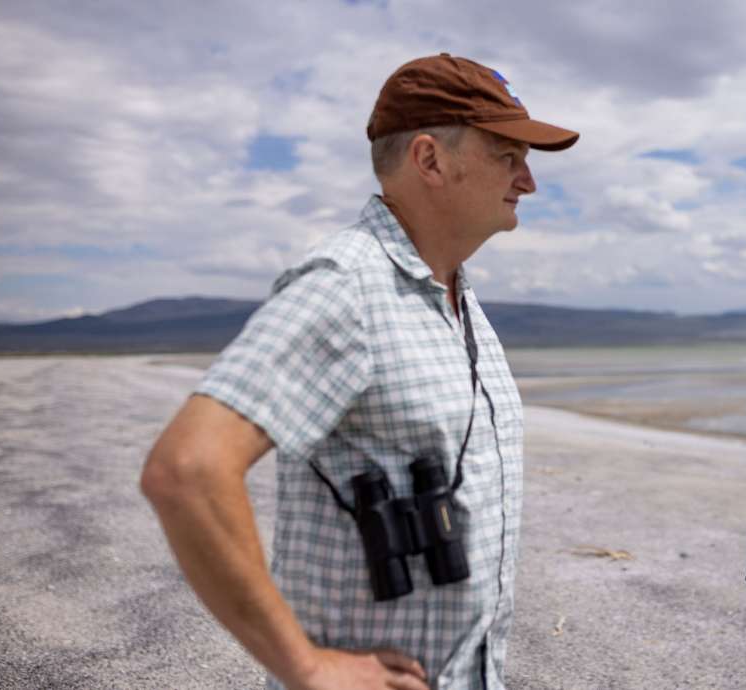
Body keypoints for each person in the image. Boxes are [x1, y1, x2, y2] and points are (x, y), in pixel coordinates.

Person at [141, 53, 578, 690]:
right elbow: (186, 471)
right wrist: (306, 666)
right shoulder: (348, 288)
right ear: (429, 160)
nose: (528, 180)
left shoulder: (454, 294)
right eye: (507, 154)